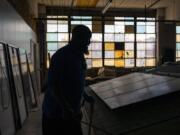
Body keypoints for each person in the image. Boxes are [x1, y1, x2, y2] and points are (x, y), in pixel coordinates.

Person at [42, 25, 94, 135]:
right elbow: (53, 85)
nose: (89, 43)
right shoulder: (61, 56)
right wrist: (65, 108)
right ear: (77, 38)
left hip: (72, 113)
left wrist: (85, 95)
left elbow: (77, 82)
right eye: (87, 39)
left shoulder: (79, 56)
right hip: (56, 116)